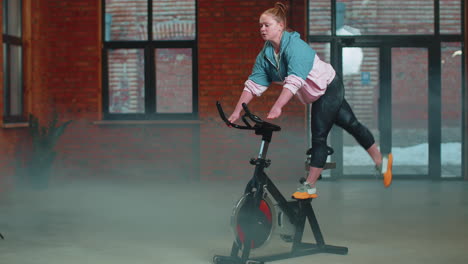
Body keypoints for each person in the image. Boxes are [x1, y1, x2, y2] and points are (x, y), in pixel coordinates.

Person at [228, 2, 393, 199]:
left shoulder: (296, 47)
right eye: (260, 26)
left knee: (319, 135)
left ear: (280, 26)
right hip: (317, 93)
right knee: (351, 124)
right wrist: (237, 111)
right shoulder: (266, 56)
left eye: (267, 25)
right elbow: (253, 85)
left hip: (329, 87)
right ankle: (381, 161)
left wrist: (278, 106)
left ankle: (310, 185)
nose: (262, 29)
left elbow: (294, 81)